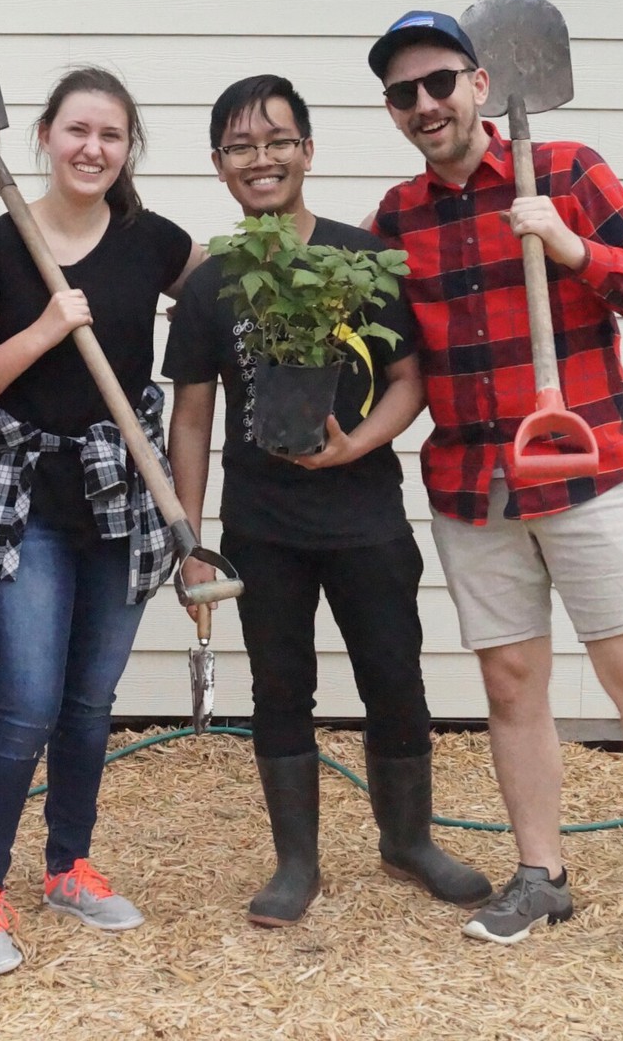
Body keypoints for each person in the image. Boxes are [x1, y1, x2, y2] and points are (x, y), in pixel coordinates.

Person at [364, 10, 623, 995]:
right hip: (472, 482)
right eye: (401, 93)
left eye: (437, 83)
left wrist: (575, 249)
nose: (422, 105)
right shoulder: (396, 220)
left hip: (585, 466)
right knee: (510, 686)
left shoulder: (569, 171)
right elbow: (399, 363)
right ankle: (540, 872)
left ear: (480, 84)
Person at [163, 75, 491, 928]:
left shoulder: (364, 259)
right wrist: (189, 537)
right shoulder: (211, 283)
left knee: (395, 676)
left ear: (308, 150)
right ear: (218, 166)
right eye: (241, 147)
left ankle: (408, 839)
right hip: (262, 525)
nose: (261, 159)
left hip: (365, 515)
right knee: (280, 687)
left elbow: (408, 380)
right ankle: (296, 862)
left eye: (277, 141)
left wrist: (358, 441)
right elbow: (192, 412)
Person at [0, 67, 202, 976]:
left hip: (121, 500)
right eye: (76, 131)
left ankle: (68, 867)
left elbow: (227, 305)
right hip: (23, 501)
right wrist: (48, 327)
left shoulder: (158, 244)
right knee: (25, 705)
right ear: (46, 138)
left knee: (89, 706)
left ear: (128, 149)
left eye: (111, 135)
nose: (92, 149)